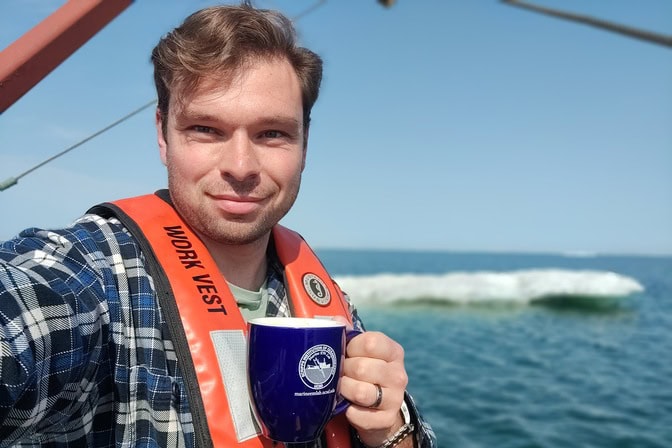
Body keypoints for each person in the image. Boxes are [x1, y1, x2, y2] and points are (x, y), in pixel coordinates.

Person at [0, 3, 436, 447]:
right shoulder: (95, 275)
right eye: (206, 129)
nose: (241, 166)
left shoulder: (325, 302)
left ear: (305, 144)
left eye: (272, 134)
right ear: (163, 135)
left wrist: (391, 429)